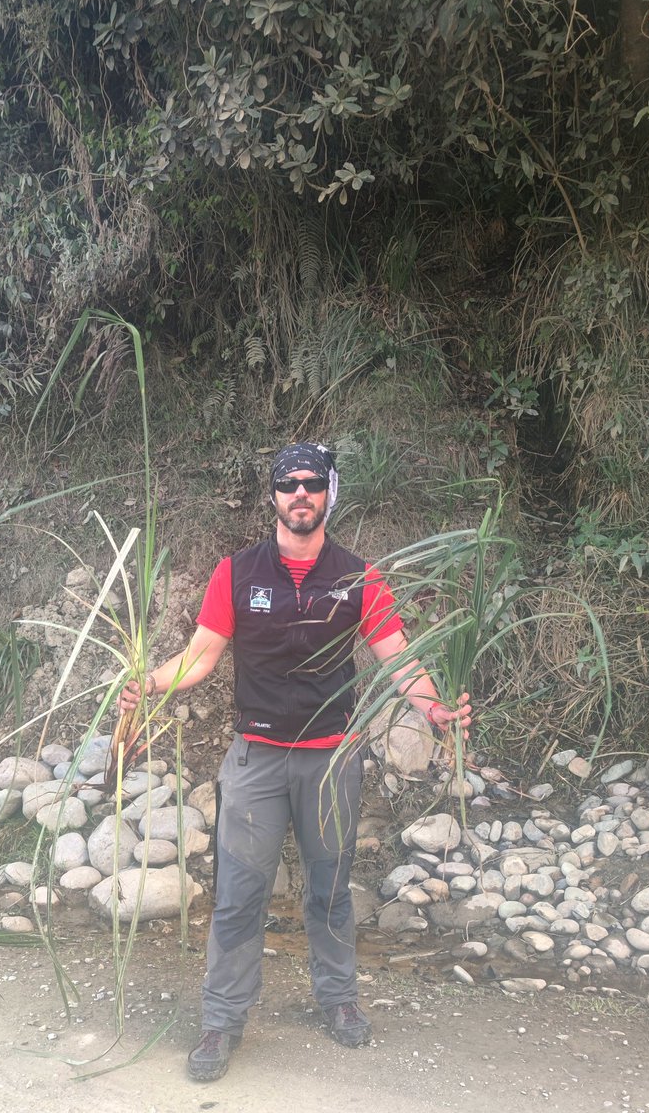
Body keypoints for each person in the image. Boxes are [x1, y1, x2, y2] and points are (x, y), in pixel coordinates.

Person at [117, 442, 471, 1082]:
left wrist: (435, 709)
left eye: (311, 483)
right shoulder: (237, 572)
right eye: (288, 484)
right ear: (274, 495)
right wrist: (149, 684)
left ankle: (338, 1001)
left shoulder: (359, 577)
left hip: (331, 758)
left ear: (328, 492)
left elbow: (397, 657)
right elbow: (200, 657)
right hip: (255, 758)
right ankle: (221, 1020)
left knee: (330, 888)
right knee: (239, 893)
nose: (299, 493)